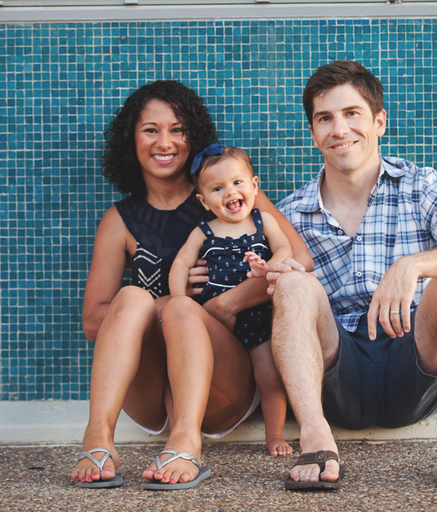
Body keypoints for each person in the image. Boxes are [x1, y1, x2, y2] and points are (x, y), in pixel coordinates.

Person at [266, 61, 437, 490]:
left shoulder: (421, 185)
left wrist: (412, 265)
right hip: (338, 374)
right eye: (325, 118)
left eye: (352, 113)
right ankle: (316, 438)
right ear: (313, 133)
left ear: (378, 122)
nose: (339, 129)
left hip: (413, 363)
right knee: (292, 283)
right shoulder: (289, 213)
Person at [70, 80, 312, 490]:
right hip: (150, 389)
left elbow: (298, 261)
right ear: (132, 139)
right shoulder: (120, 220)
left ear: (192, 137)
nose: (165, 142)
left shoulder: (229, 193)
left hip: (223, 380)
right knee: (132, 298)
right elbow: (95, 323)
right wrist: (160, 302)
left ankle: (187, 442)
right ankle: (98, 436)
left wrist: (222, 305)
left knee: (182, 309)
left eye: (177, 129)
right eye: (151, 130)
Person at [169, 144, 293, 457]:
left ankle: (274, 434)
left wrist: (269, 268)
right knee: (193, 370)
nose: (230, 192)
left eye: (237, 183)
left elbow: (285, 250)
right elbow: (181, 265)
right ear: (203, 200)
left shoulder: (264, 220)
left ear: (253, 185)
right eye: (217, 188)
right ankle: (186, 432)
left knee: (270, 377)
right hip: (216, 322)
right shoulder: (204, 231)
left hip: (258, 318)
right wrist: (178, 300)